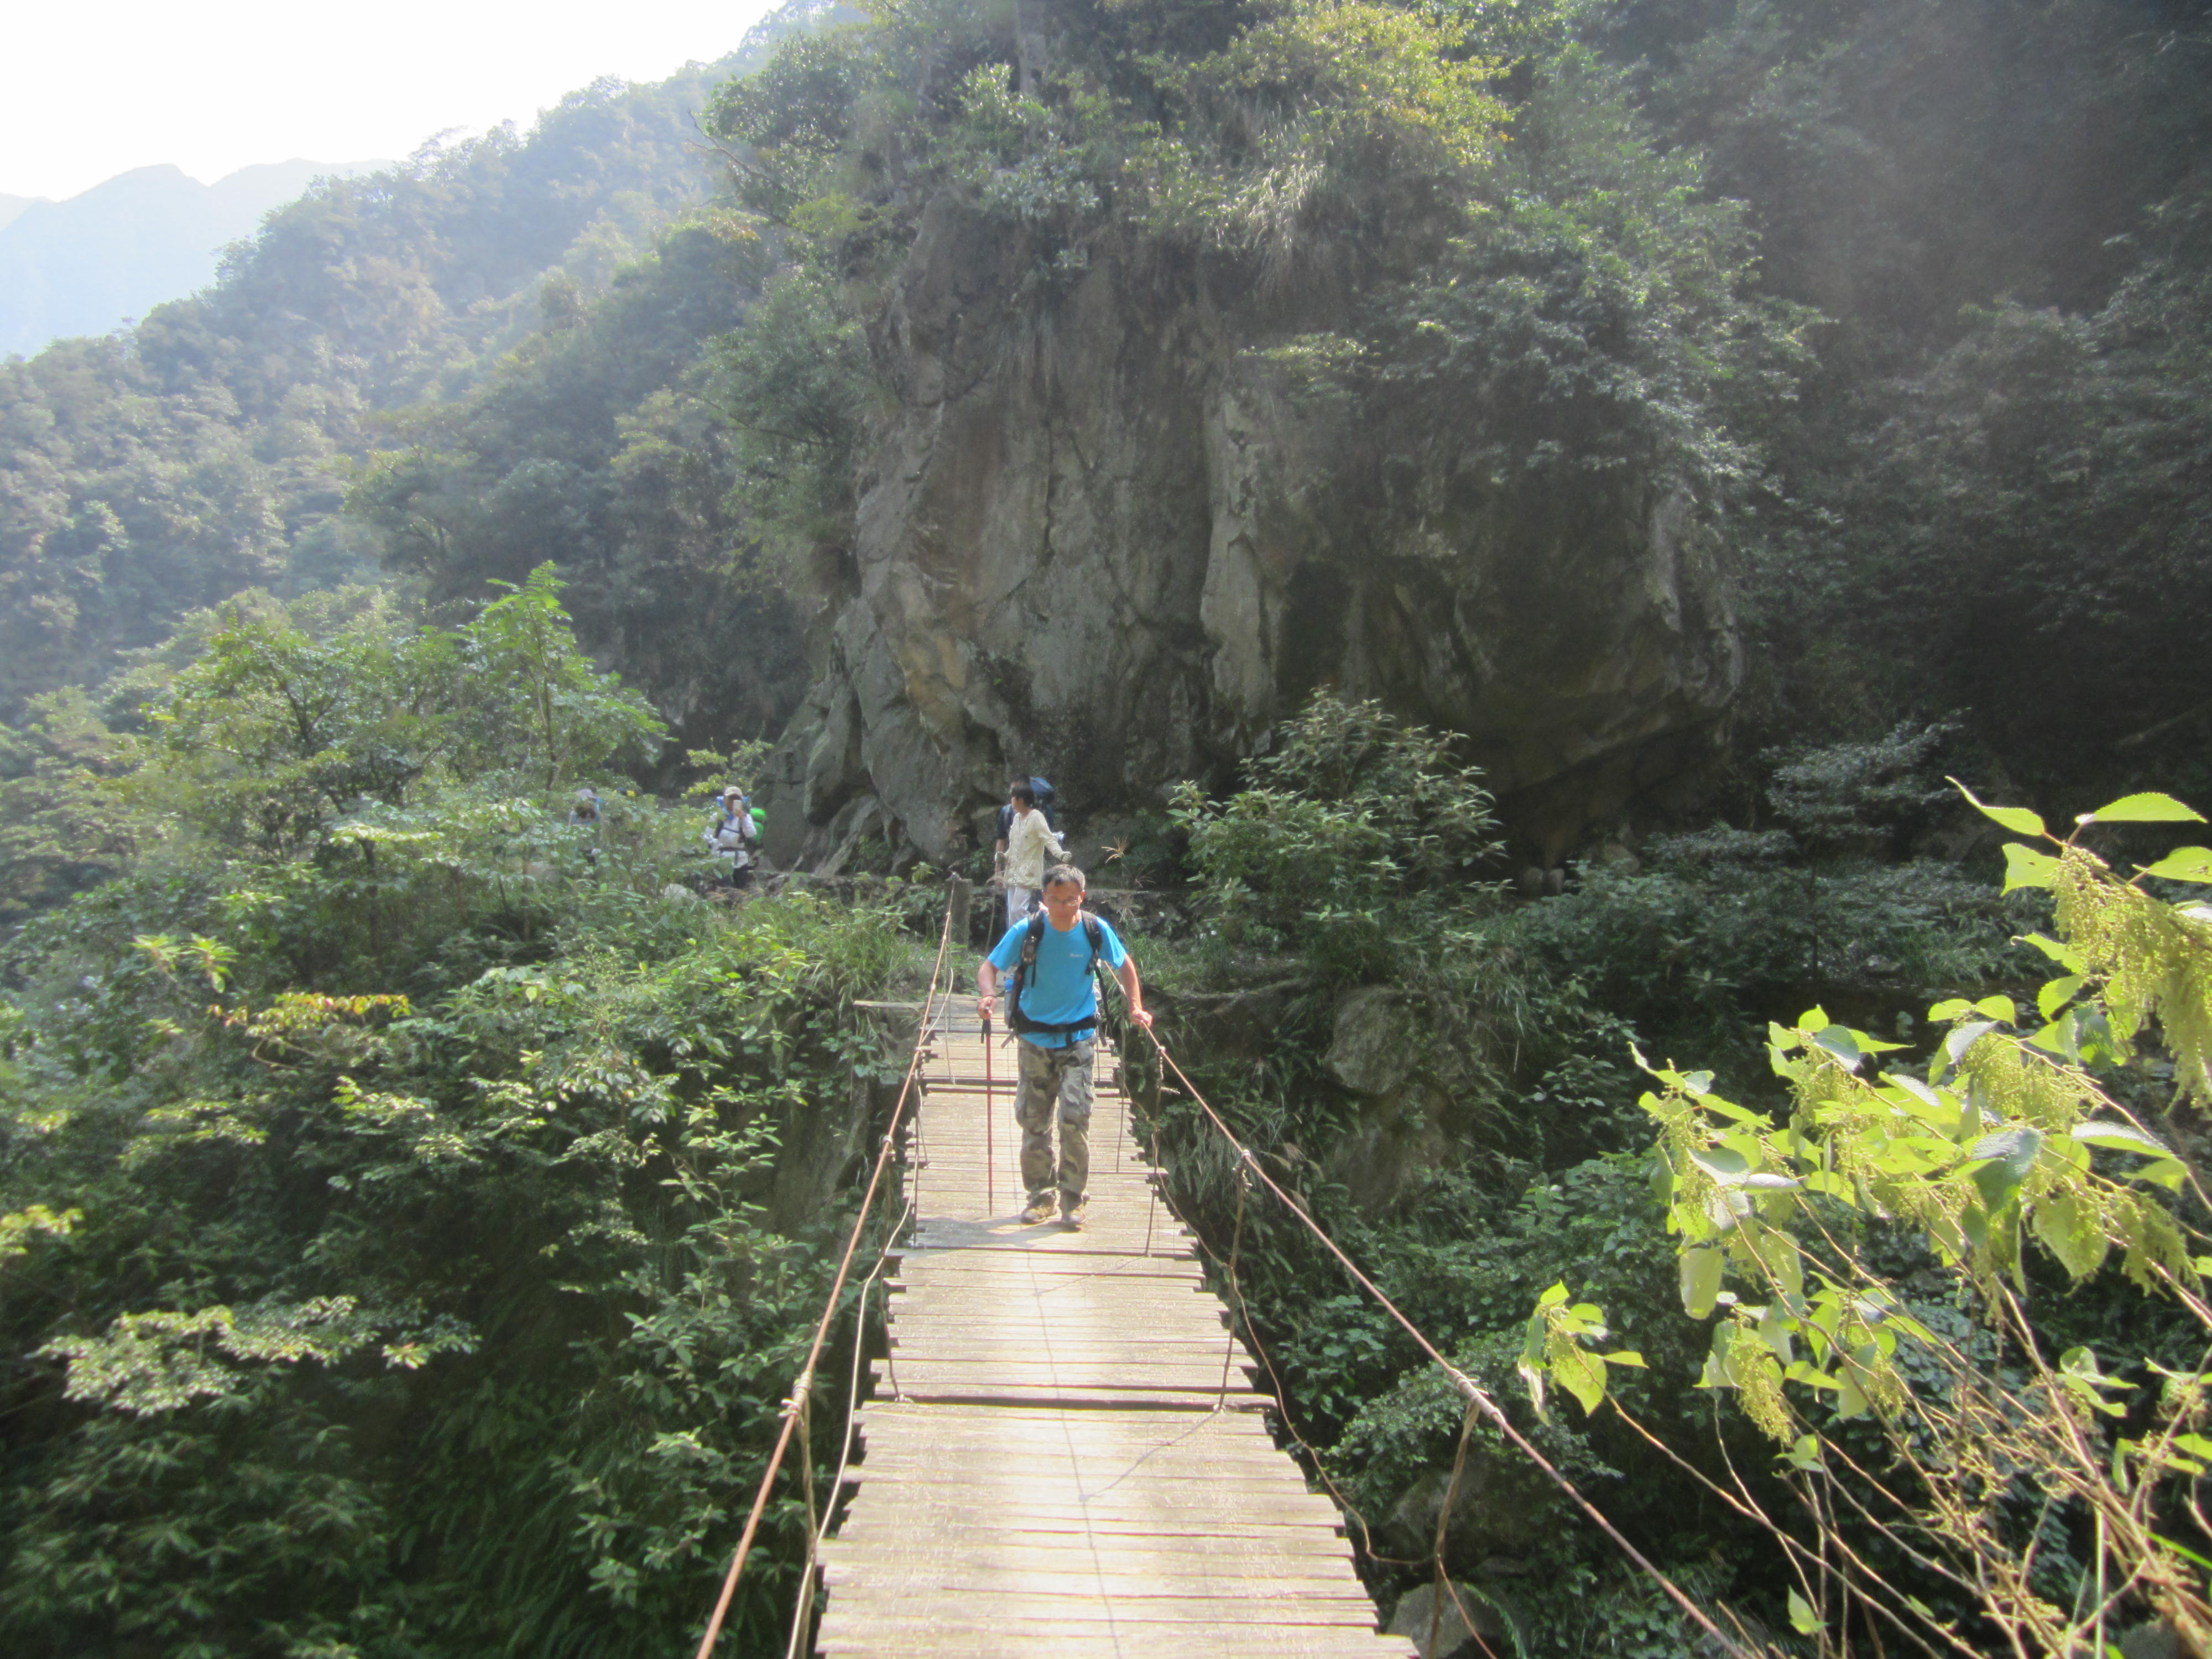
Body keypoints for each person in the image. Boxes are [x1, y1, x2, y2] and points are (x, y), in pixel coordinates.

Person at [974, 864, 1152, 1229]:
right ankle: (1041, 1198)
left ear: (1081, 898)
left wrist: (1136, 1006)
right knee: (1034, 1122)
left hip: (1079, 1039)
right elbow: (988, 967)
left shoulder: (1093, 930)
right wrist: (988, 996)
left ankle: (1073, 1199)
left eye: (1070, 899)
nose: (1062, 907)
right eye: (1054, 900)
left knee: (1075, 1117)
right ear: (1044, 898)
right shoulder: (1030, 930)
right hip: (1034, 1040)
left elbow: (1125, 966)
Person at [995, 780, 1066, 930]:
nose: (1011, 801)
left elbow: (1049, 839)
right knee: (1011, 914)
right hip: (1012, 870)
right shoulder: (1016, 819)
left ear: (1021, 800)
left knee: (1018, 910)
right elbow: (1014, 846)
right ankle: (1015, 945)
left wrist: (1060, 854)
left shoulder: (1036, 817)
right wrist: (1004, 856)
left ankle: (1036, 931)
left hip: (1027, 872)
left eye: (1013, 798)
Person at [703, 786, 758, 890]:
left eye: (736, 799)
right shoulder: (717, 817)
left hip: (741, 859)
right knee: (726, 889)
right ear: (724, 800)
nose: (733, 802)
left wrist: (743, 819)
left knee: (739, 891)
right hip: (722, 859)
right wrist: (716, 847)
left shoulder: (745, 818)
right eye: (730, 799)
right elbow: (707, 836)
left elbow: (751, 834)